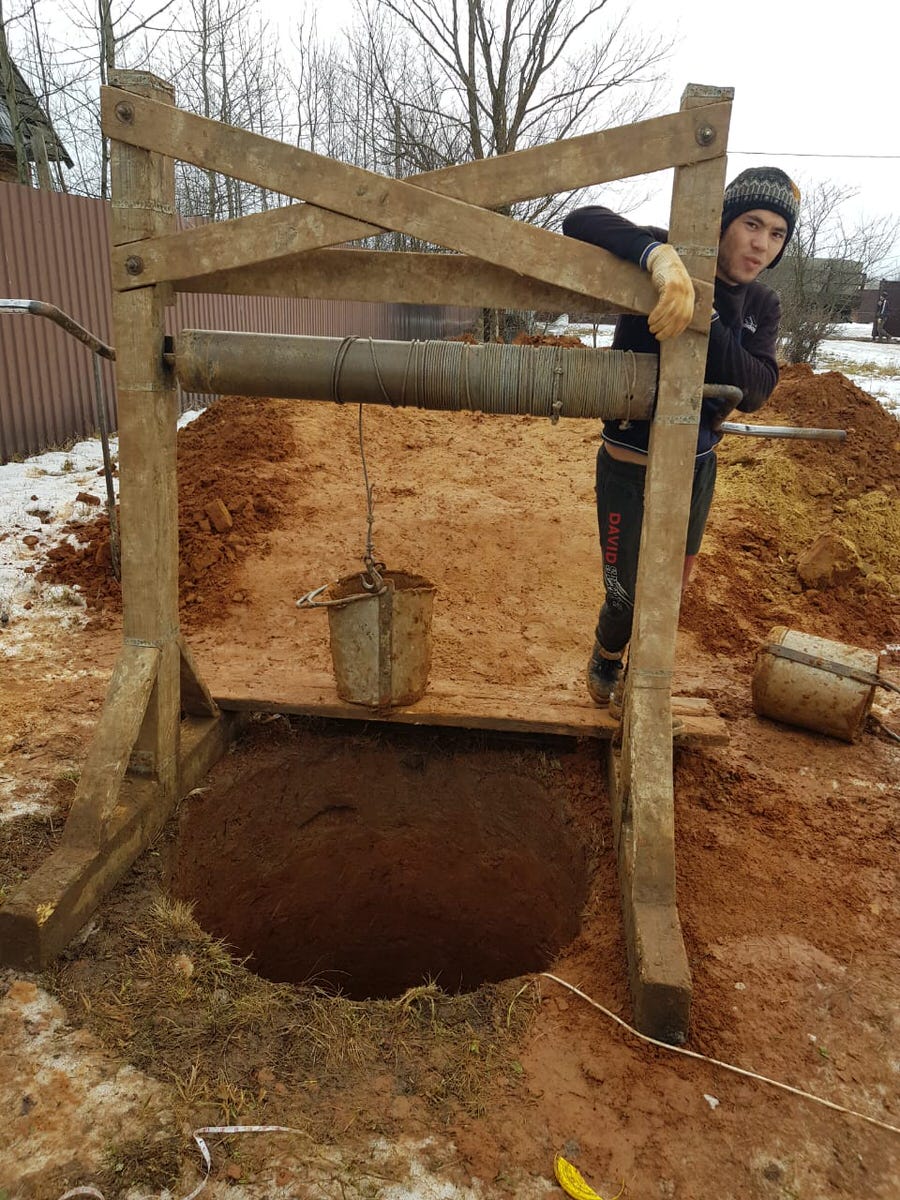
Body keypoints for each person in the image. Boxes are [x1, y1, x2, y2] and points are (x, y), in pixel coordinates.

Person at [562, 166, 801, 704]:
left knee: (670, 588)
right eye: (751, 224)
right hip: (630, 463)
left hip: (696, 467)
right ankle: (607, 650)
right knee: (624, 593)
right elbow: (578, 220)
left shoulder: (762, 305)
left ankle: (644, 681)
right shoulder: (665, 255)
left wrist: (703, 312)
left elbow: (757, 386)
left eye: (776, 233)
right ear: (722, 223)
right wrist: (660, 262)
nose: (761, 244)